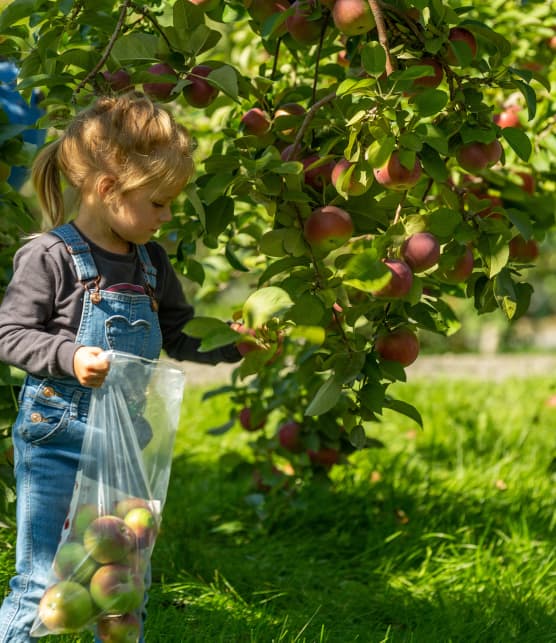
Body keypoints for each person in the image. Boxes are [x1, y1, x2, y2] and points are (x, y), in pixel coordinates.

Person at [0, 91, 241, 642]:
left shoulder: (151, 263)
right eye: (158, 202)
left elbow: (180, 334)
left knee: (123, 585)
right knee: (43, 581)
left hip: (126, 446)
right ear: (109, 190)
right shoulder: (52, 256)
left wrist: (236, 344)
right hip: (57, 440)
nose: (168, 215)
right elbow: (8, 333)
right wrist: (68, 355)